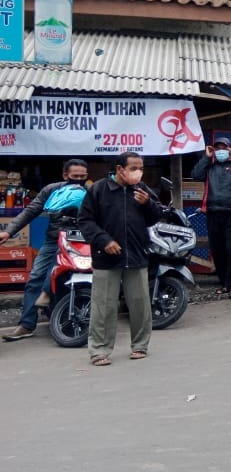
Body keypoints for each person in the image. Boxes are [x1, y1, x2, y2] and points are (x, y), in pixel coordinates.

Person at [78, 152, 162, 366]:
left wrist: (148, 204)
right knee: (103, 306)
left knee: (140, 304)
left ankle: (140, 345)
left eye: (141, 168)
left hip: (136, 254)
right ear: (119, 169)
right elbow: (86, 221)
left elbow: (156, 216)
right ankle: (99, 350)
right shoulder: (99, 189)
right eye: (133, 168)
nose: (138, 172)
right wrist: (104, 240)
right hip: (106, 257)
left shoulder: (142, 190)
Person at [1, 159, 89, 342]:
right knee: (35, 278)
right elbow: (31, 210)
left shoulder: (92, 192)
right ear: (65, 175)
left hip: (81, 242)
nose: (79, 180)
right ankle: (26, 325)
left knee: (66, 278)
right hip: (53, 241)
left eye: (82, 177)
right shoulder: (52, 190)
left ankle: (64, 315)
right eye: (75, 177)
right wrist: (9, 232)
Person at [192, 136, 231, 299]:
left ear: (230, 149)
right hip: (212, 211)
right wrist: (206, 157)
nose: (220, 150)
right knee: (217, 250)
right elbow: (195, 175)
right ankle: (224, 284)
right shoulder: (210, 165)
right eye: (217, 148)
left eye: (224, 147)